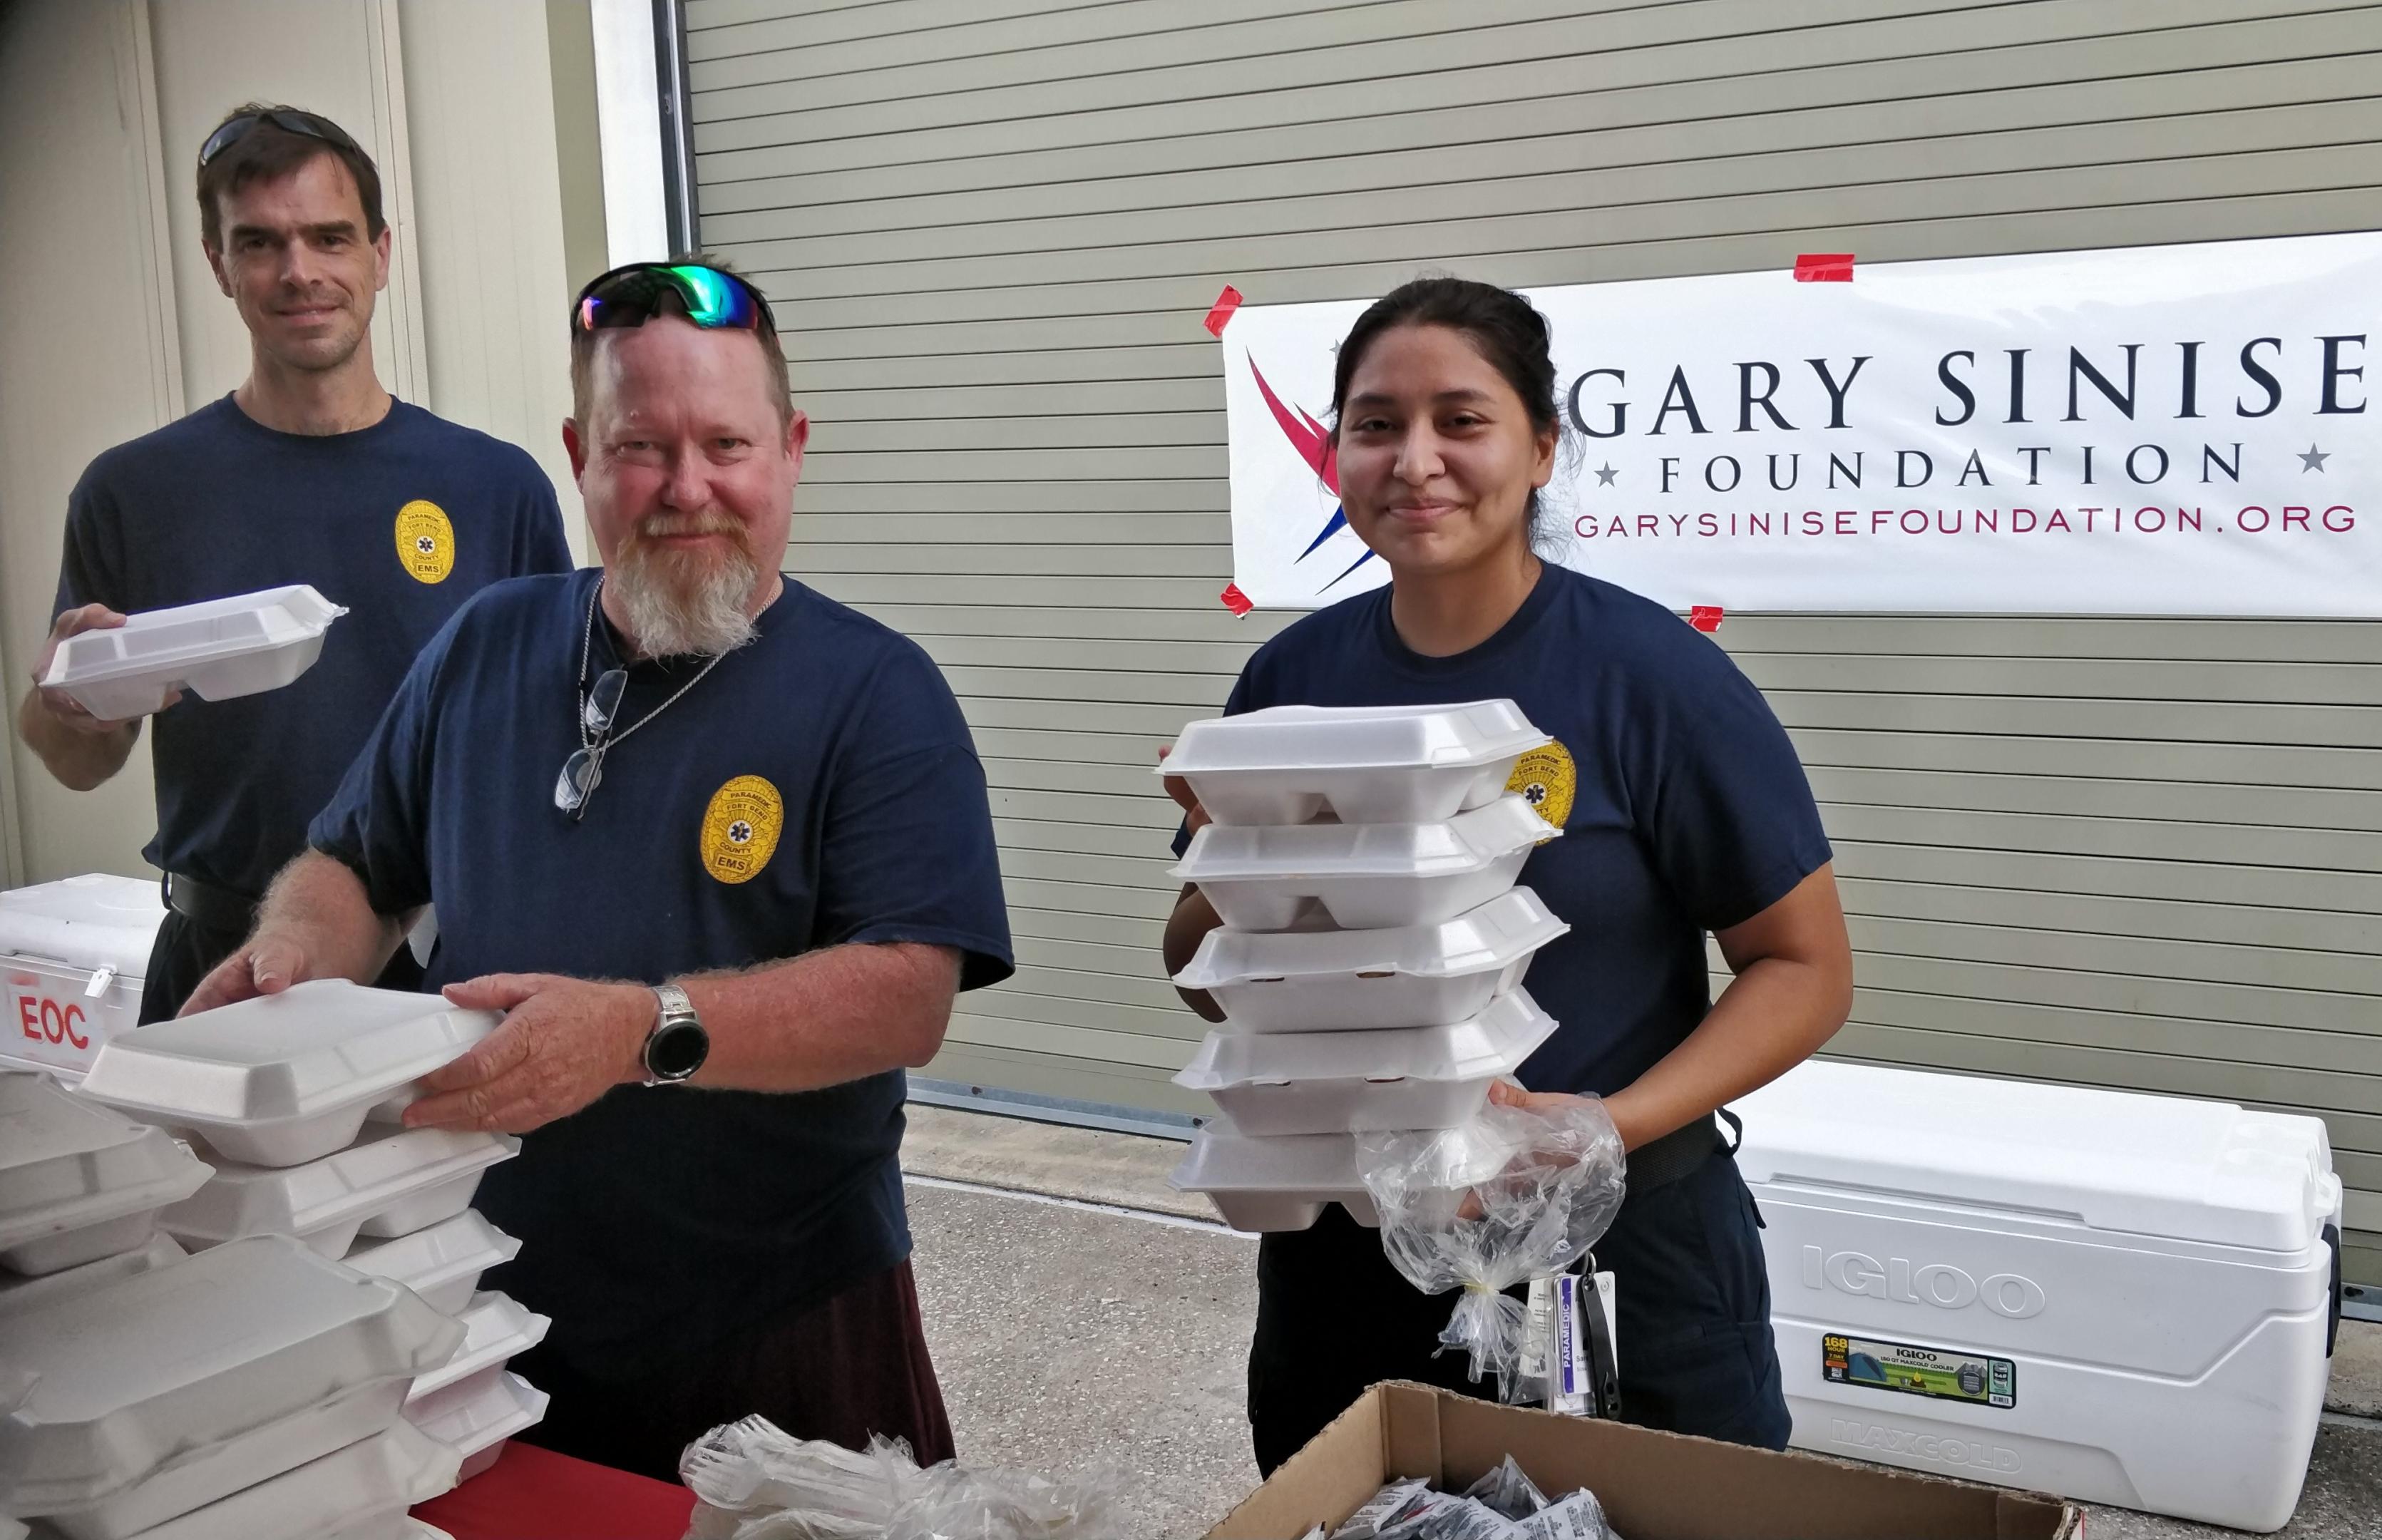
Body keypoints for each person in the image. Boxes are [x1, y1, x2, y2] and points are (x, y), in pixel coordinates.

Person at [180, 258, 1014, 1478]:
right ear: (579, 451)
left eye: (726, 444)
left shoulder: (877, 692)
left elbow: (906, 994)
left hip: (779, 1321)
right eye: (641, 447)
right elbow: (353, 864)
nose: (687, 489)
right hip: (483, 1302)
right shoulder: (487, 642)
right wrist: (291, 958)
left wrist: (641, 1030)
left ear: (790, 447)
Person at [1161, 277, 1856, 1471]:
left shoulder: (1655, 684)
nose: (1414, 460)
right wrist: (1249, 857)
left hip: (1620, 1245)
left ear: (1541, 447)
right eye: (1376, 424)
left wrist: (1598, 1129)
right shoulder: (1291, 682)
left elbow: (1804, 969)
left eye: (1461, 421)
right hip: (1354, 1249)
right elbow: (1201, 974)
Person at [14, 103, 572, 1020]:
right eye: (261, 243)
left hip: (446, 972)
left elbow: (550, 741)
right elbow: (74, 761)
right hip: (220, 966)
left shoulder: (494, 488)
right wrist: (70, 697)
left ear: (381, 254)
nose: (300, 272)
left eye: (330, 237)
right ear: (217, 263)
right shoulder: (134, 491)